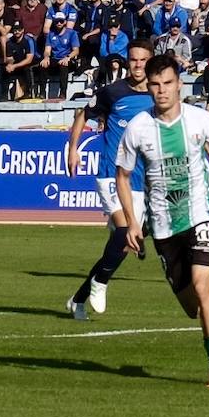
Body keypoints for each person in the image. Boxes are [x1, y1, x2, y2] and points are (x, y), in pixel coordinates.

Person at [115, 52, 209, 390]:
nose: (161, 91)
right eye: (155, 85)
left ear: (179, 85)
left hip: (201, 213)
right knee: (192, 307)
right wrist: (132, 223)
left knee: (203, 288)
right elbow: (123, 177)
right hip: (162, 225)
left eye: (168, 84)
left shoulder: (200, 120)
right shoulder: (138, 128)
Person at [64, 40, 154, 319]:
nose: (138, 65)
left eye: (142, 60)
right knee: (126, 229)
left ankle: (78, 298)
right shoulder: (113, 92)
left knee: (127, 242)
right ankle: (100, 282)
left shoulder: (158, 93)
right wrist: (73, 149)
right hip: (112, 174)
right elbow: (83, 114)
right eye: (133, 60)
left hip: (140, 179)